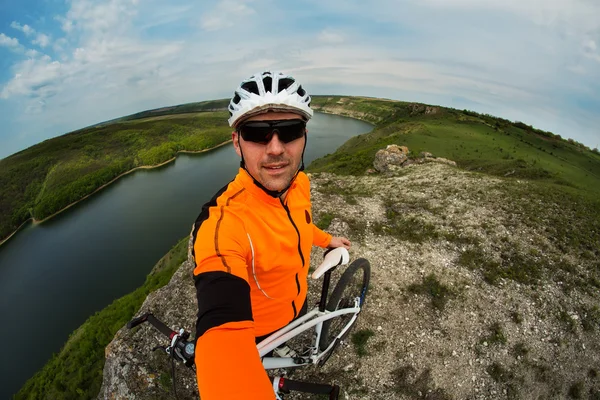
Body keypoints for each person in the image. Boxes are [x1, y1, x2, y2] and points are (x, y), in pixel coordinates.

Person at [191, 71, 351, 399]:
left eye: (289, 131)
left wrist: (326, 240)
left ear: (304, 136)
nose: (275, 149)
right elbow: (220, 327)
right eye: (256, 133)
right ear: (237, 142)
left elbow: (298, 223)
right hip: (261, 329)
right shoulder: (224, 222)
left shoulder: (299, 184)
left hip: (298, 303)